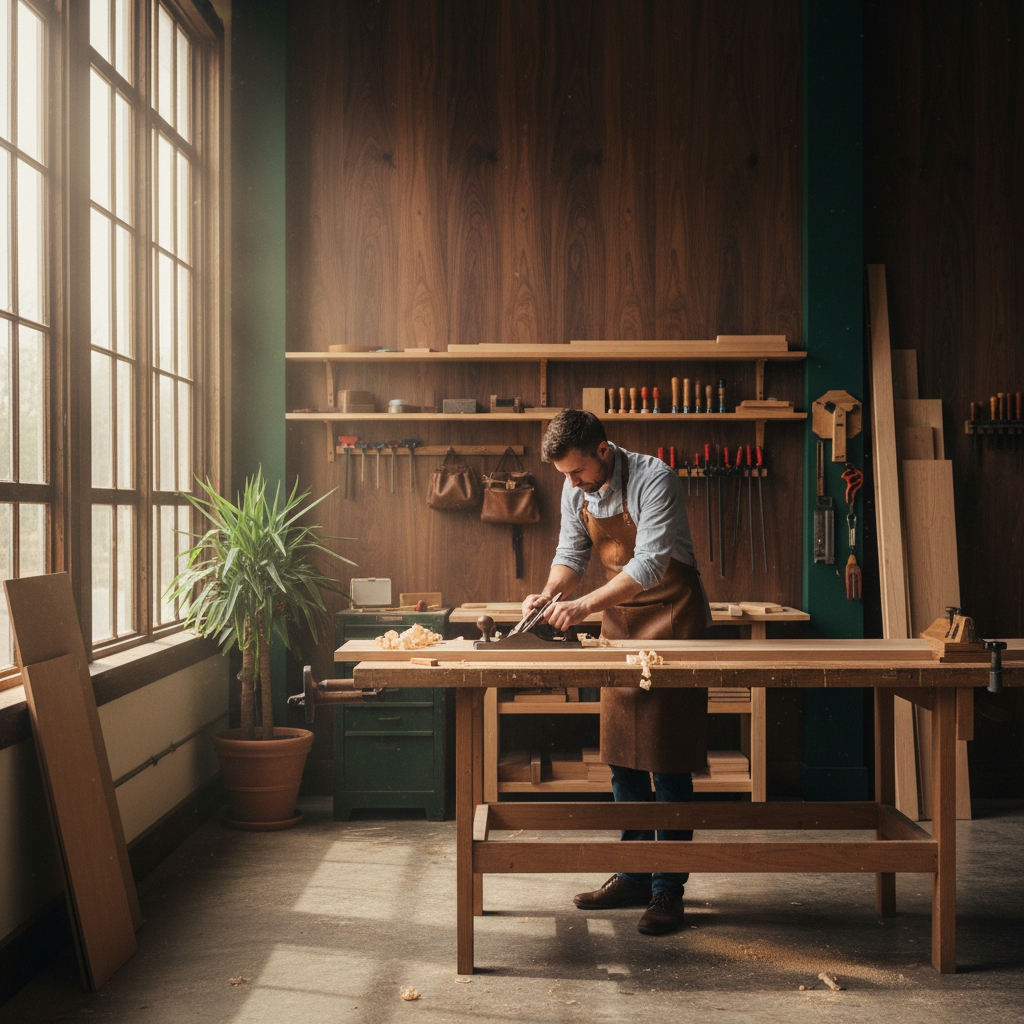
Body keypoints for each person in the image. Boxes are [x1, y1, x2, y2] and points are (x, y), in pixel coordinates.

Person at [523, 409, 710, 936]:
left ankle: (667, 890)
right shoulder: (575, 487)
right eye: (565, 474)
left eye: (578, 471)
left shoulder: (655, 479)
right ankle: (633, 874)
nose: (572, 483)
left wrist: (582, 607)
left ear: (603, 451)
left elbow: (649, 565)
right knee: (623, 757)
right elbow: (570, 553)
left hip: (672, 619)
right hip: (619, 624)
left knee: (668, 762)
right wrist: (549, 594)